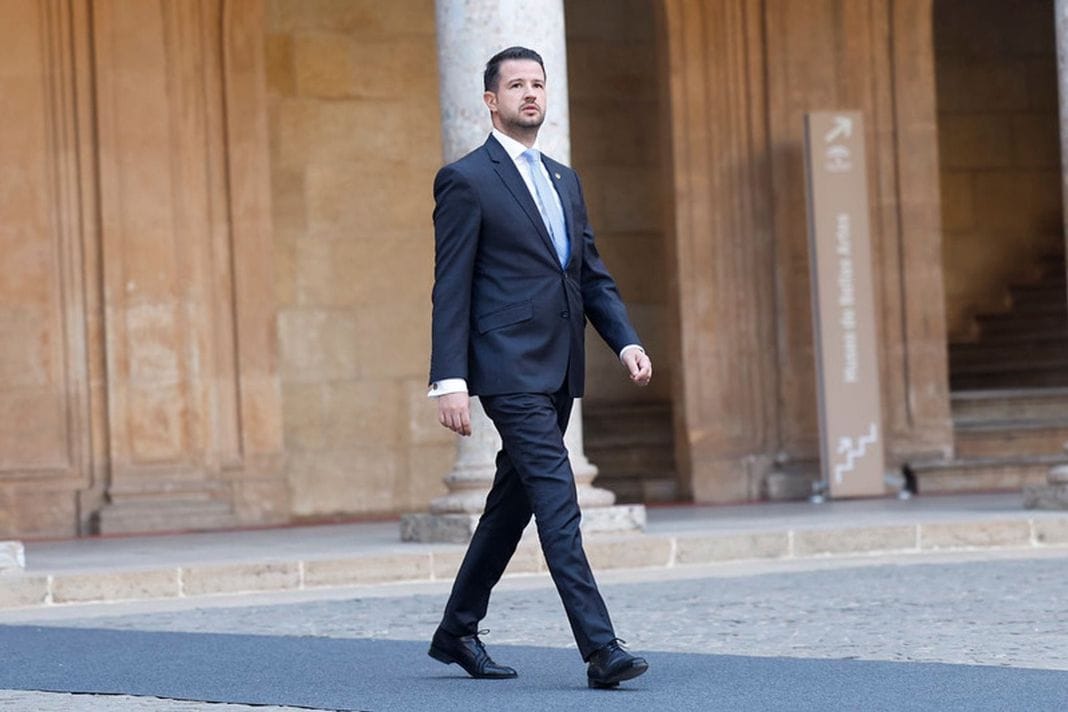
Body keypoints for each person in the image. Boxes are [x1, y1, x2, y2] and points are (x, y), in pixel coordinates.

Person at [426, 46, 652, 689]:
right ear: (491, 100)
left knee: (511, 504)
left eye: (538, 84)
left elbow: (589, 275)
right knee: (558, 498)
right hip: (506, 369)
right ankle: (601, 649)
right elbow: (451, 285)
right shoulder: (466, 179)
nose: (530, 93)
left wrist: (625, 342)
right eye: (516, 85)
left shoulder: (563, 179)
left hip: (559, 367)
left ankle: (456, 630)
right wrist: (449, 379)